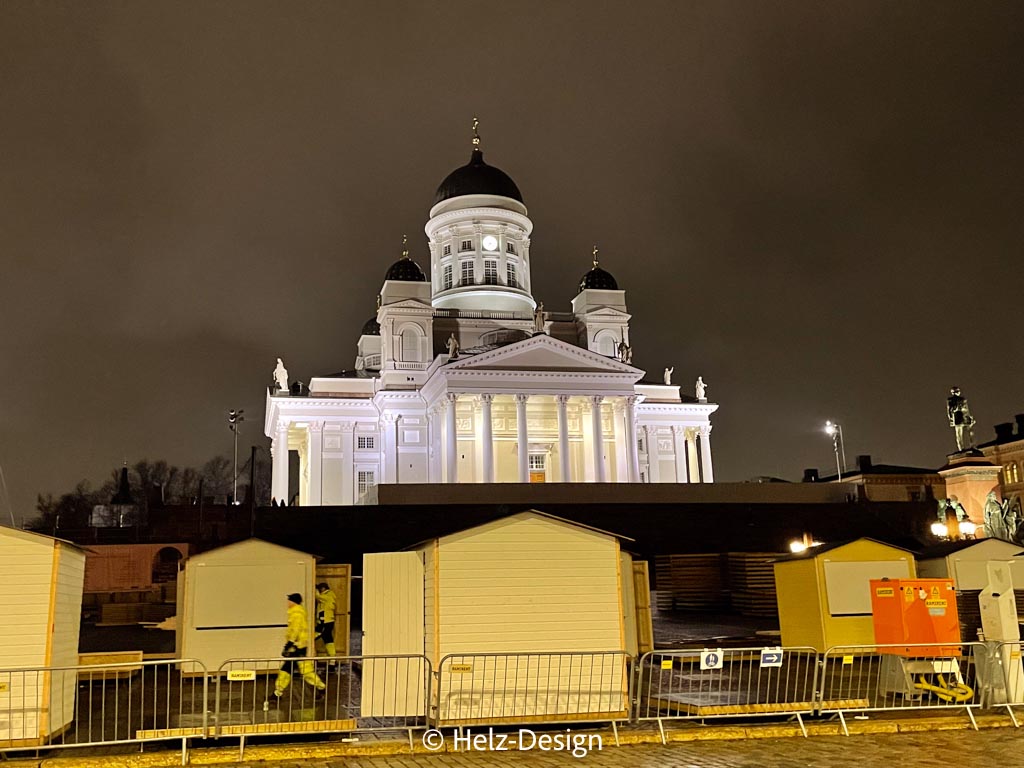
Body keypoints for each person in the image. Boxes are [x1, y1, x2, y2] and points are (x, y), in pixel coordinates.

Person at [274, 593, 326, 698]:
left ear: (293, 602)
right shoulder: (296, 612)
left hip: (297, 647)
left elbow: (295, 630)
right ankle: (277, 692)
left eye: (289, 600)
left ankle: (321, 687)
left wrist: (289, 644)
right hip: (297, 646)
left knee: (303, 671)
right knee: (287, 669)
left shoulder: (297, 613)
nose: (287, 603)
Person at [947, 386, 975, 452]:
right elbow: (950, 410)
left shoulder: (961, 399)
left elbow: (966, 409)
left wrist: (969, 417)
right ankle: (964, 447)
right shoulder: (952, 400)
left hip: (961, 417)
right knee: (961, 433)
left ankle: (969, 446)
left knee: (966, 432)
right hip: (959, 417)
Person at [315, 582, 337, 658]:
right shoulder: (329, 595)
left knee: (314, 636)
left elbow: (317, 596)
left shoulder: (328, 596)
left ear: (323, 589)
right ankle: (332, 660)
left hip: (325, 622)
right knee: (328, 640)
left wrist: (314, 589)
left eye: (319, 589)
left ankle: (332, 658)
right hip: (326, 622)